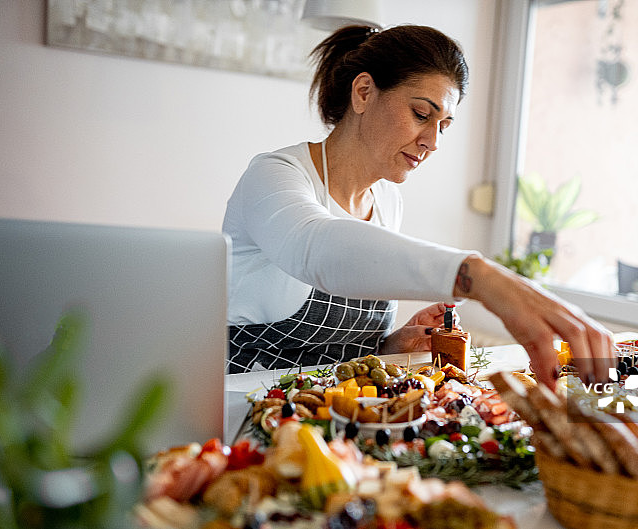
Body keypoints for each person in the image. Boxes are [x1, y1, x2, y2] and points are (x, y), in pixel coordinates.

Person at [223, 24, 615, 389]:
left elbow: (337, 358)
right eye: (421, 114)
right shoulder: (274, 175)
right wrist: (478, 277)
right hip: (239, 411)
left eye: (443, 125)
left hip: (334, 418)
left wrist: (392, 344)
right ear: (363, 93)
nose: (433, 141)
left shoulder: (387, 200)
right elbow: (317, 250)